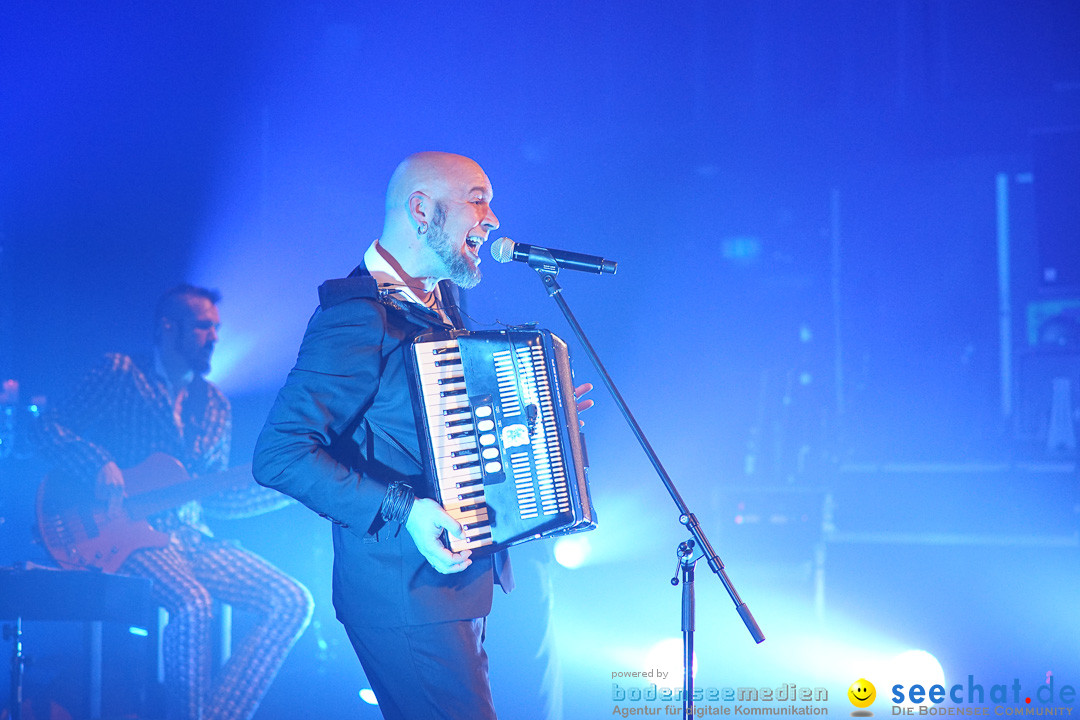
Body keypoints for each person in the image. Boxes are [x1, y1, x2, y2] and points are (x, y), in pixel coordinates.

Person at [253, 151, 591, 719]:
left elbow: (444, 436)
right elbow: (280, 454)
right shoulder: (358, 315)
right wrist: (405, 509)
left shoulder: (440, 303)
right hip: (402, 590)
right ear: (421, 209)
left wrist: (540, 426)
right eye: (477, 199)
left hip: (454, 584)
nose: (492, 219)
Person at [35, 284, 313, 720]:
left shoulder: (215, 405)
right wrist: (97, 464)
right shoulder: (121, 372)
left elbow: (216, 502)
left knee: (292, 601)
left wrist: (296, 488)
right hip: (122, 532)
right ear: (168, 326)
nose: (215, 336)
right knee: (193, 603)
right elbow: (47, 427)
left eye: (217, 327)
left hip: (191, 539)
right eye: (204, 326)